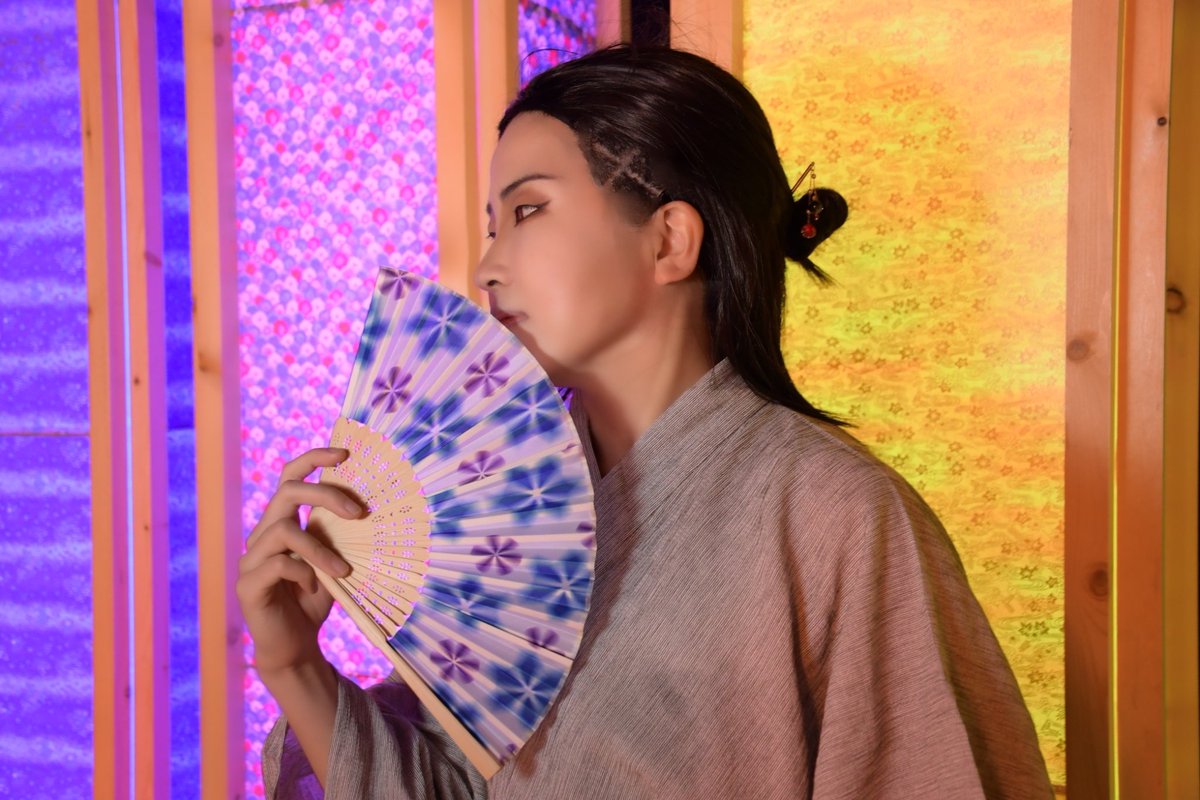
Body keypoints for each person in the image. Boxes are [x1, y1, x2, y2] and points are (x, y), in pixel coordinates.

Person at [240, 44, 1054, 799]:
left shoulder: (836, 515)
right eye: (493, 226)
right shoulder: (495, 506)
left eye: (528, 212)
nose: (487, 267)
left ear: (668, 240)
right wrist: (294, 665)